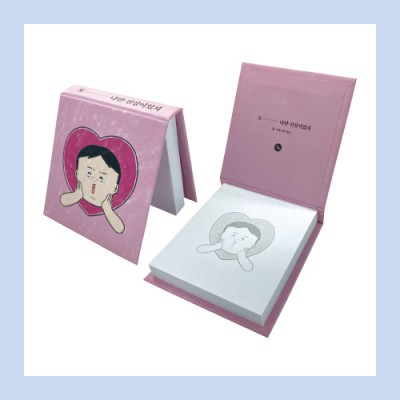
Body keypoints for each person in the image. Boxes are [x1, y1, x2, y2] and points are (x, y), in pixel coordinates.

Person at [60, 145, 125, 234]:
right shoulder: (77, 195)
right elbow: (62, 201)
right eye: (89, 174)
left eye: (101, 178)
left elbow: (120, 228)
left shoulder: (107, 207)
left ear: (114, 188)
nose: (94, 181)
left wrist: (107, 209)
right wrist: (76, 195)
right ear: (77, 174)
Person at [197, 221, 261, 271]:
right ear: (222, 235)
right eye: (233, 235)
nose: (234, 242)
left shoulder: (242, 256)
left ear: (251, 245)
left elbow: (248, 268)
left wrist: (241, 256)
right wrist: (215, 246)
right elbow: (199, 249)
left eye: (242, 239)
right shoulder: (215, 247)